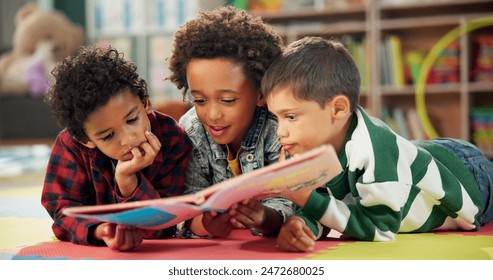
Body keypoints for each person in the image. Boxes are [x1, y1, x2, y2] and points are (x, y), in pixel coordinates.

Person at [261, 36, 493, 252]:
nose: (280, 131)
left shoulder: (372, 149)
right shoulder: (302, 148)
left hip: (468, 175)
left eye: (291, 117)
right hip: (421, 158)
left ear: (338, 108)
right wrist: (301, 225)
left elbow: (380, 227)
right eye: (276, 118)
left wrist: (306, 198)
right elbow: (328, 207)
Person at [42, 46, 193, 251]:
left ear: (145, 103)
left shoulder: (172, 138)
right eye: (108, 136)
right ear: (85, 139)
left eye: (132, 119)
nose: (129, 138)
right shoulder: (71, 146)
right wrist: (101, 230)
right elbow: (63, 213)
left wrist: (128, 181)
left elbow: (161, 227)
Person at [166, 6, 294, 238]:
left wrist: (263, 217)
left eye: (227, 100)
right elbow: (187, 206)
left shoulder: (279, 129)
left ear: (261, 93)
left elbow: (290, 204)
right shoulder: (190, 130)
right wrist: (205, 224)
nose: (212, 114)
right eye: (200, 100)